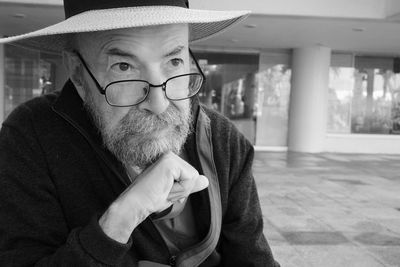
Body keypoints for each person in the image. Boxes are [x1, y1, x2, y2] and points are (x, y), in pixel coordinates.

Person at [0, 0, 280, 266]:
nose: (159, 104)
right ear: (77, 73)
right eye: (123, 67)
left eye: (174, 62)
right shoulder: (31, 136)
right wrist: (118, 222)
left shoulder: (224, 140)